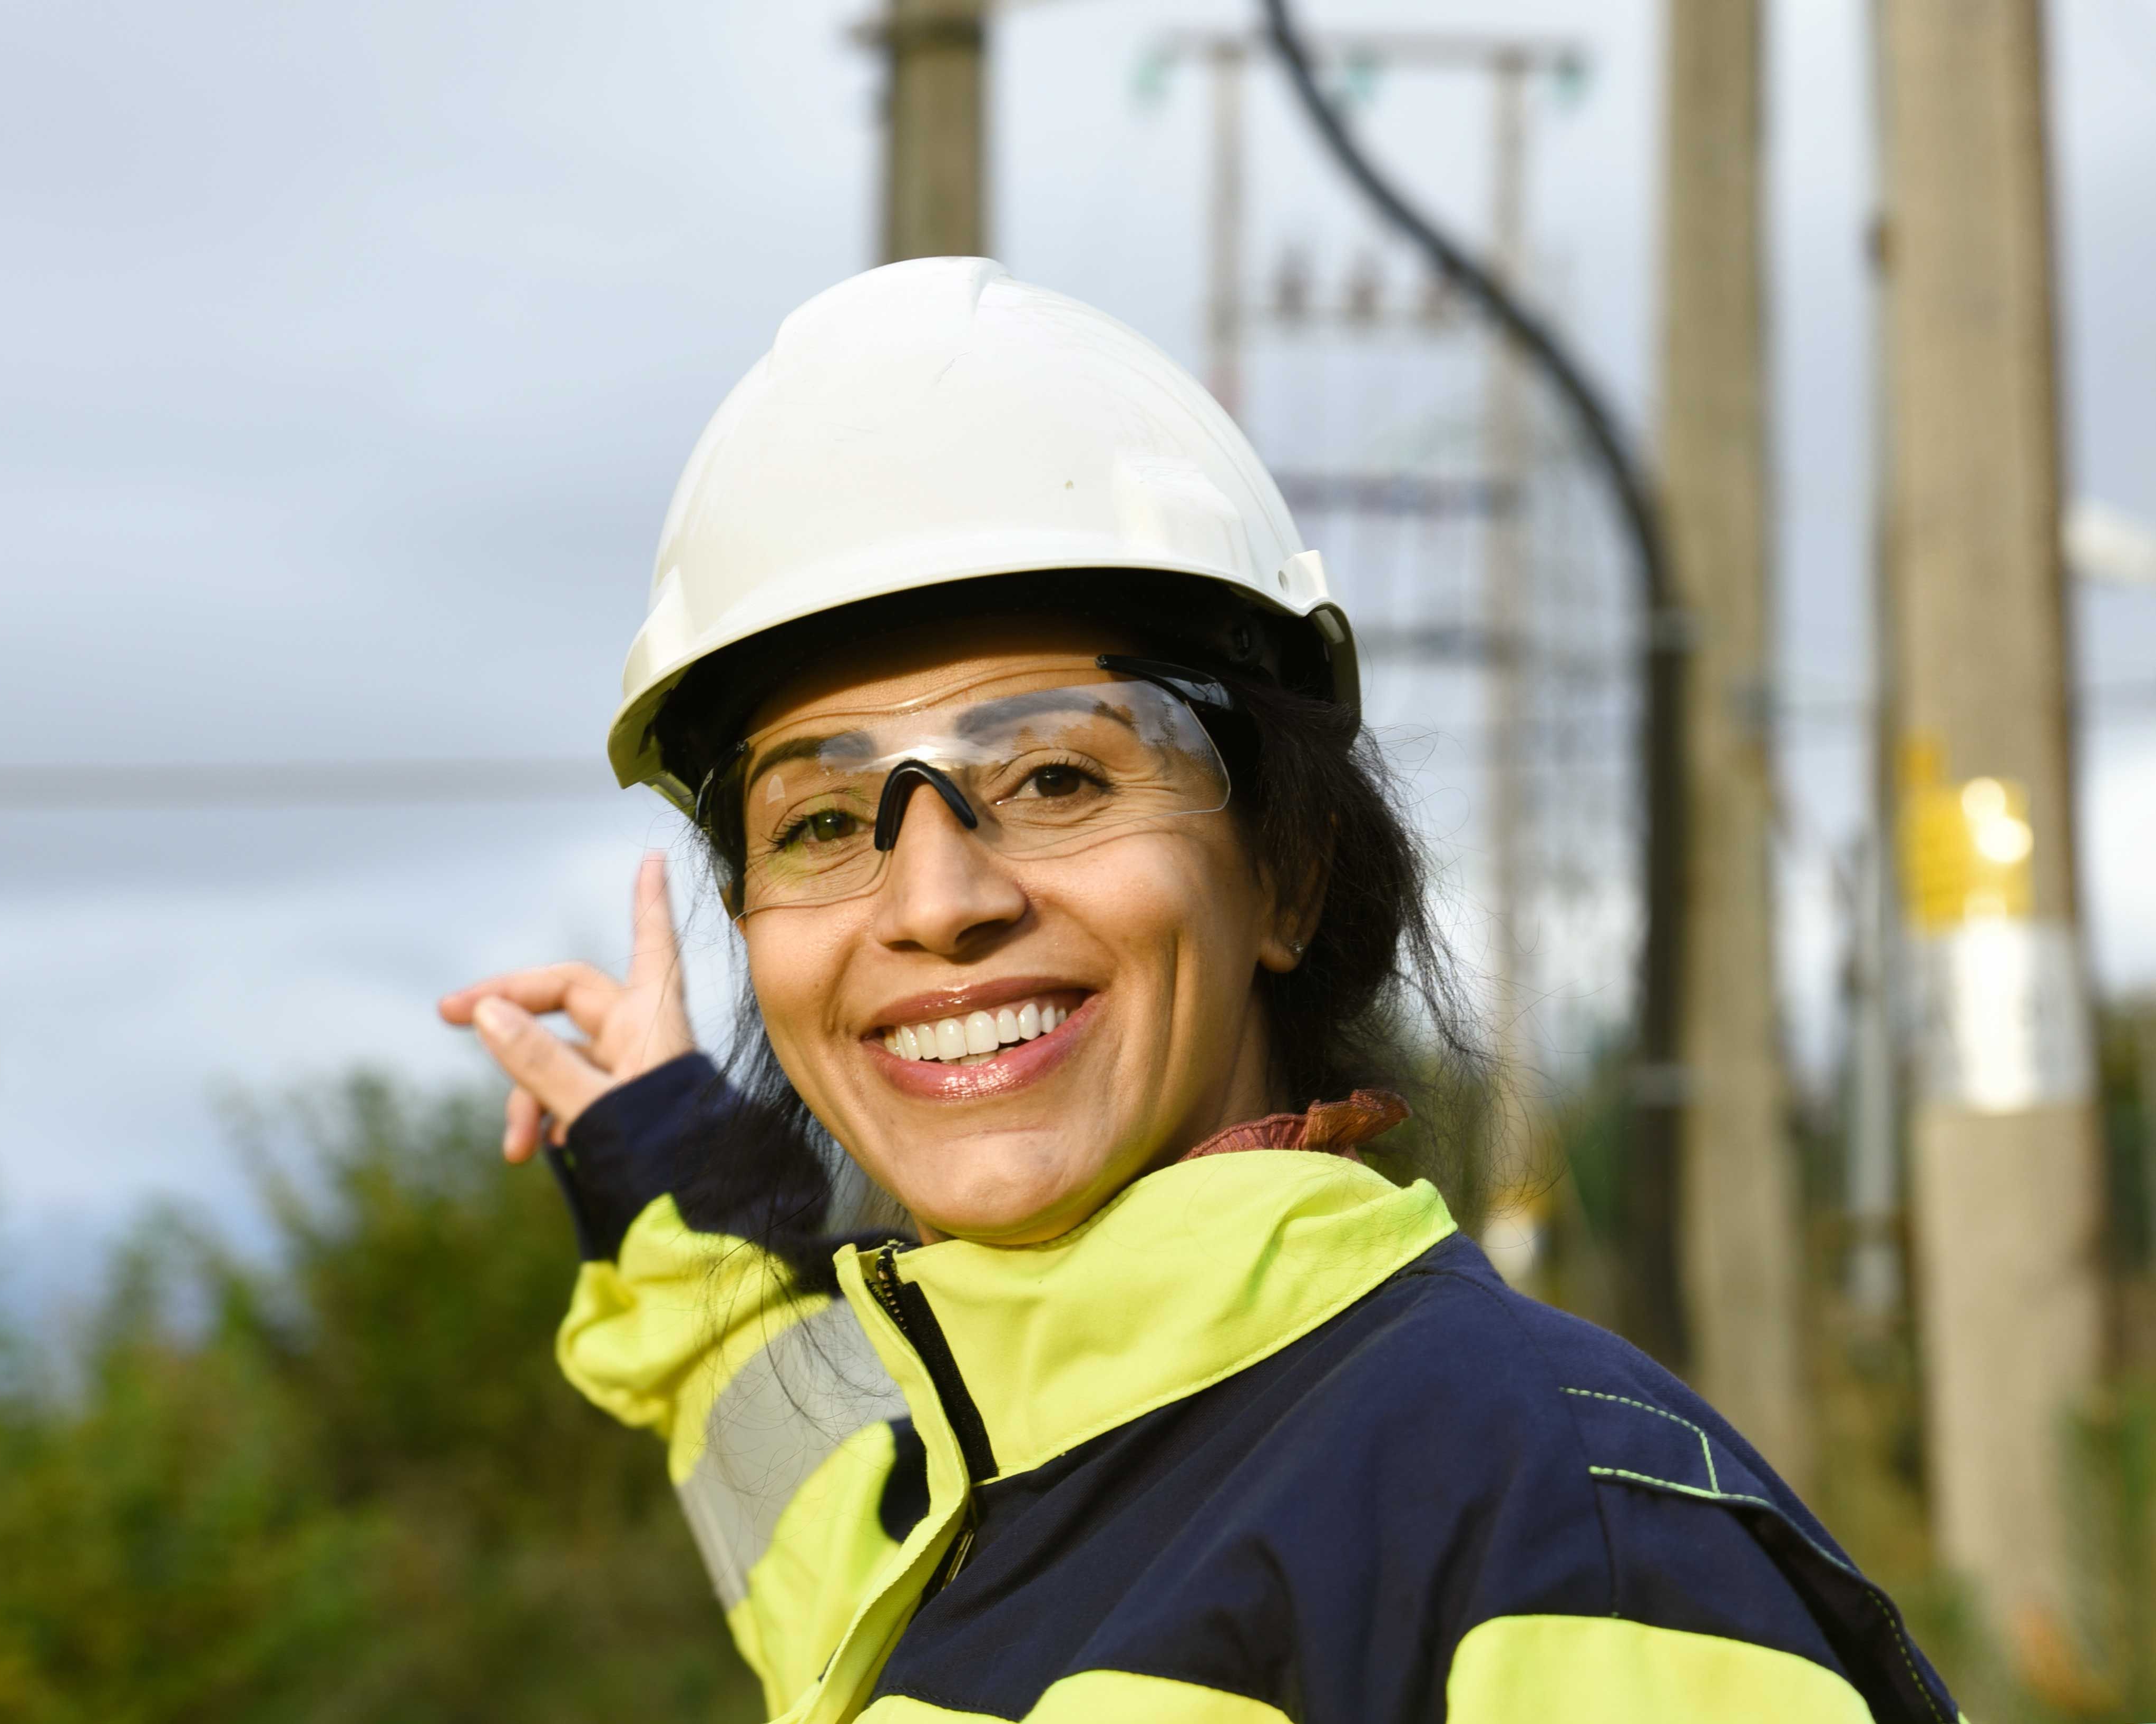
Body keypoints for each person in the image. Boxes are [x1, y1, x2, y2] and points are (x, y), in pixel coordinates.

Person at [440, 259, 1955, 1724]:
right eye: (824, 823)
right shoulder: (976, 1503)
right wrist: (665, 1162)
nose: (937, 903)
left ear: (1284, 870)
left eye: (1054, 777)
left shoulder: (1555, 1544)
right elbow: (819, 1514)